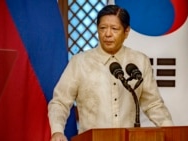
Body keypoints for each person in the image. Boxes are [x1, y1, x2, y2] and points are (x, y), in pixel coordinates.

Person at [48, 4, 174, 141]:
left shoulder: (139, 61)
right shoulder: (80, 62)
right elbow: (60, 102)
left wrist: (170, 130)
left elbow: (153, 104)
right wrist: (57, 131)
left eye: (114, 29)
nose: (107, 34)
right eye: (102, 28)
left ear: (126, 32)